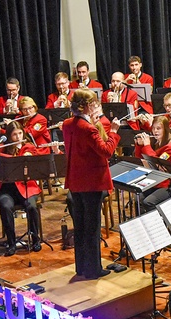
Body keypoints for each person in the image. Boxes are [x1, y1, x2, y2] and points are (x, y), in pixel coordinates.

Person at [62, 89, 120, 279]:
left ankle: (82, 267)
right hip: (92, 182)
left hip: (75, 180)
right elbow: (107, 151)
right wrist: (113, 131)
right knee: (93, 226)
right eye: (92, 104)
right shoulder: (88, 128)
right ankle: (94, 269)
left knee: (80, 226)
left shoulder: (67, 124)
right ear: (86, 106)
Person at [0, 121, 42, 257]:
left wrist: (5, 156)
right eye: (15, 135)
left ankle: (35, 239)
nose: (18, 137)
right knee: (5, 207)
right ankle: (11, 243)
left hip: (25, 187)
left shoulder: (28, 147)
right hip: (6, 189)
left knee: (32, 207)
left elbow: (28, 157)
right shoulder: (1, 149)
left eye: (20, 133)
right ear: (9, 136)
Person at [134, 116, 171, 211]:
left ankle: (158, 223)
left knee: (148, 202)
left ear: (166, 129)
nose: (155, 131)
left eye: (158, 128)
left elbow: (157, 163)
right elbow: (139, 160)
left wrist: (146, 145)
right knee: (138, 199)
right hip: (155, 181)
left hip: (168, 184)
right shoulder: (155, 142)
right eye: (154, 128)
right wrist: (139, 145)